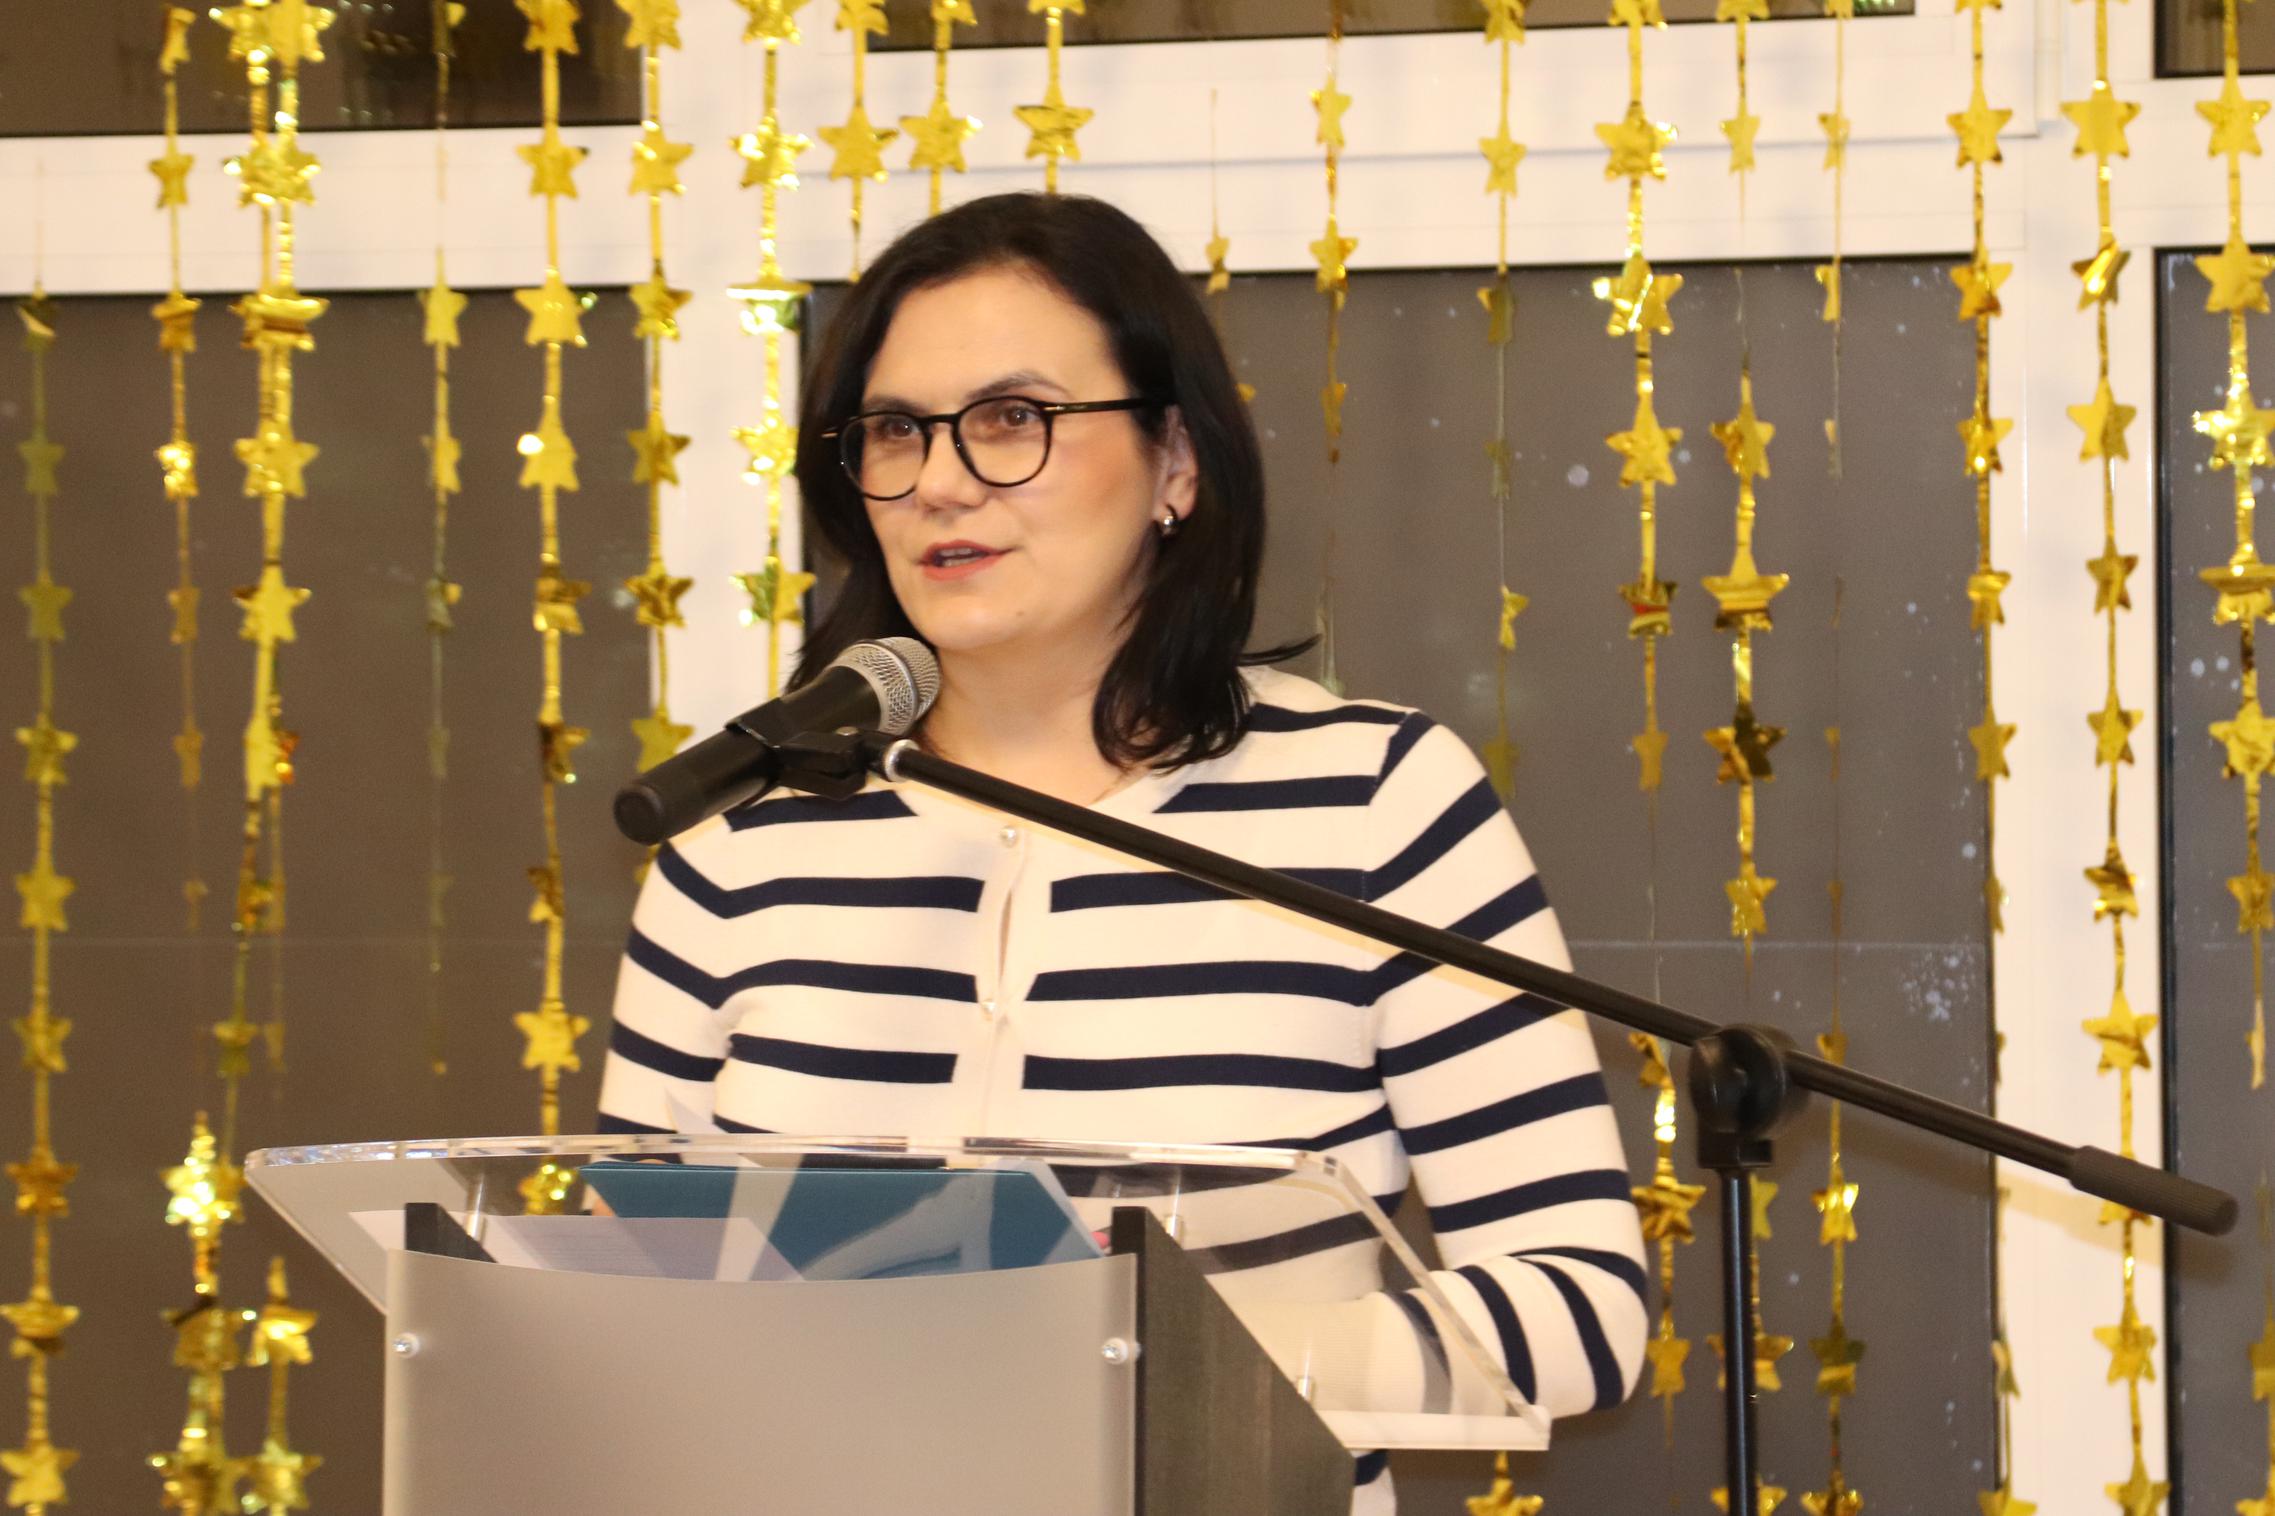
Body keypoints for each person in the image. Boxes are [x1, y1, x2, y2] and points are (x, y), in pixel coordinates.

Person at [596, 191, 1646, 1510]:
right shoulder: (740, 843)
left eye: (1011, 418)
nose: (940, 481)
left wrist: (1146, 1357)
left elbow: (1580, 1308)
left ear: (1176, 463)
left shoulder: (1371, 801)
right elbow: (622, 1300)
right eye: (896, 430)